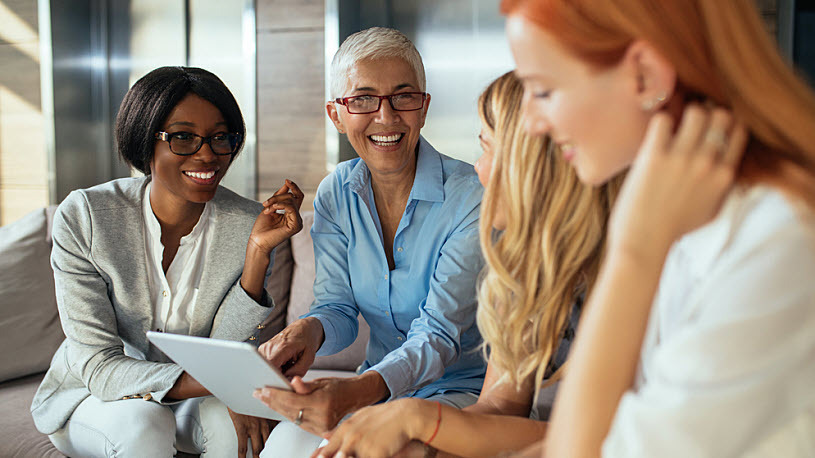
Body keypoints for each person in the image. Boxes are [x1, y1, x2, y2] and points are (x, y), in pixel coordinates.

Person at [501, 0, 815, 456]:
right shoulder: (689, 212)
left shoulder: (780, 244)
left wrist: (634, 252)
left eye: (543, 90)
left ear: (645, 74)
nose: (529, 122)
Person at [312, 71, 622, 458]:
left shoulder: (626, 268)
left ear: (536, 163)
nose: (478, 169)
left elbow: (610, 438)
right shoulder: (525, 272)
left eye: (488, 149)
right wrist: (425, 446)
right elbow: (501, 407)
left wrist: (420, 421)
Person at [30, 66, 304, 458]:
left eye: (219, 137)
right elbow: (99, 366)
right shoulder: (86, 216)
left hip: (192, 394)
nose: (207, 154)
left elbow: (224, 350)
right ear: (145, 141)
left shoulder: (248, 222)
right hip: (94, 396)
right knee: (143, 424)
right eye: (183, 137)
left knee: (235, 436)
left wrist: (258, 253)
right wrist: (226, 385)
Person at [252, 27, 487, 456]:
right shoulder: (335, 193)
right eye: (362, 100)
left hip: (463, 395)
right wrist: (310, 330)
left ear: (424, 107)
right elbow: (337, 308)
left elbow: (439, 333)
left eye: (403, 96)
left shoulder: (471, 196)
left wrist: (359, 391)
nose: (386, 116)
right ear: (336, 115)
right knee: (283, 447)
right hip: (378, 390)